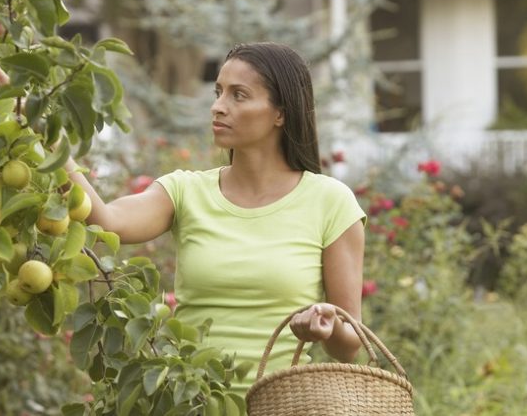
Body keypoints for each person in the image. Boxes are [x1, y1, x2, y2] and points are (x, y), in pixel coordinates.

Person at [64, 42, 367, 395]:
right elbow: (108, 221)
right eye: (218, 92)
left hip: (282, 404)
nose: (218, 107)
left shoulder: (330, 202)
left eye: (239, 95)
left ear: (279, 113)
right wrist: (45, 138)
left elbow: (350, 343)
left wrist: (327, 327)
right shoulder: (185, 192)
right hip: (188, 403)